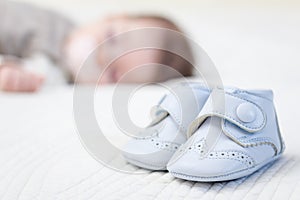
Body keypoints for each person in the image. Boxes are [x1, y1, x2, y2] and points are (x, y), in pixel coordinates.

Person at [0, 1, 194, 92]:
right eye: (111, 38)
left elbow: (38, 71)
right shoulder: (47, 26)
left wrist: (16, 75)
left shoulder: (58, 77)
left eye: (112, 73)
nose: (100, 56)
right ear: (111, 17)